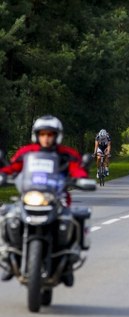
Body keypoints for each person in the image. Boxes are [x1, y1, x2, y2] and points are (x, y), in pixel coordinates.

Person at [0, 115, 89, 282]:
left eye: (50, 134)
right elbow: (13, 167)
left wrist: (82, 178)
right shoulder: (26, 152)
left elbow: (76, 168)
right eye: (43, 134)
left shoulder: (66, 154)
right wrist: (4, 174)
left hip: (57, 197)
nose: (46, 138)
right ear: (36, 135)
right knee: (9, 215)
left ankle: (67, 262)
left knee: (70, 219)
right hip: (30, 195)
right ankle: (9, 257)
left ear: (57, 136)